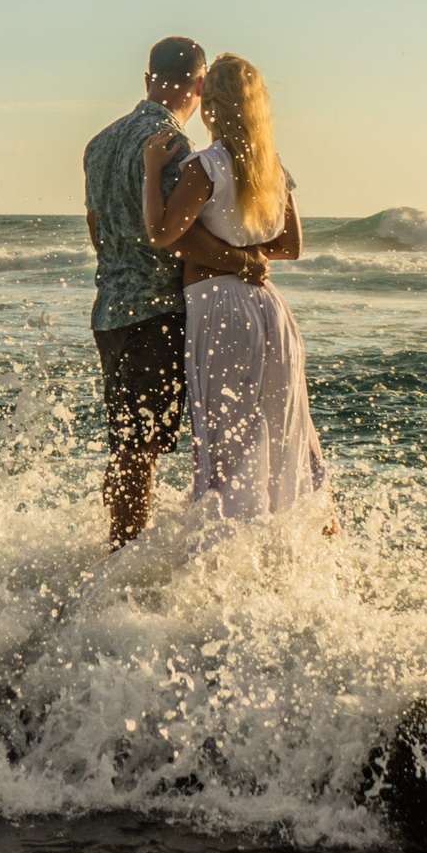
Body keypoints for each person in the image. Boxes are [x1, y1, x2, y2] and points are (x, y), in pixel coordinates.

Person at [83, 36, 271, 545]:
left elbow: (97, 229)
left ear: (148, 80)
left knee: (127, 440)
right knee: (140, 448)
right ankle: (124, 556)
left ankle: (118, 544)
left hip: (109, 312)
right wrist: (242, 261)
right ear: (201, 85)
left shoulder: (99, 143)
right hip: (156, 313)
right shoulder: (172, 145)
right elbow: (178, 235)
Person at [140, 52, 330, 522]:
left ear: (211, 107)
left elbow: (162, 233)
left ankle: (223, 548)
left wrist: (151, 169)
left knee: (229, 442)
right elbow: (290, 246)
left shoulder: (207, 165)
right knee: (284, 436)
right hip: (270, 310)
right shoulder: (270, 167)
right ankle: (293, 542)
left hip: (220, 307)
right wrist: (248, 254)